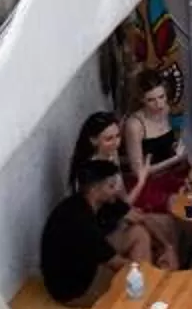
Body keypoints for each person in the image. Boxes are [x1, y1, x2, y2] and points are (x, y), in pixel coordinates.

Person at [70, 108, 180, 265]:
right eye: (109, 139)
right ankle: (150, 275)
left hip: (117, 216)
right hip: (102, 232)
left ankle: (169, 268)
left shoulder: (110, 155)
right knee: (142, 232)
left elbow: (123, 201)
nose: (116, 143)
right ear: (93, 140)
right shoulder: (93, 173)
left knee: (167, 224)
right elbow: (121, 207)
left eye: (117, 136)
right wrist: (141, 180)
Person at [40, 163, 144, 306]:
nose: (117, 190)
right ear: (95, 189)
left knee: (138, 233)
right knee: (133, 278)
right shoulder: (80, 222)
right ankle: (143, 294)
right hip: (75, 290)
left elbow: (140, 218)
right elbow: (118, 264)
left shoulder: (95, 202)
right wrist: (147, 274)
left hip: (87, 264)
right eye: (111, 186)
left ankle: (145, 287)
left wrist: (168, 247)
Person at [122, 66, 190, 213]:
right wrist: (175, 159)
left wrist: (177, 146)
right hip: (147, 183)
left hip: (171, 174)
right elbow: (138, 172)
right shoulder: (134, 125)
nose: (159, 104)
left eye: (162, 97)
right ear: (141, 100)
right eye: (151, 100)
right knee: (182, 206)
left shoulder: (166, 110)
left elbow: (170, 140)